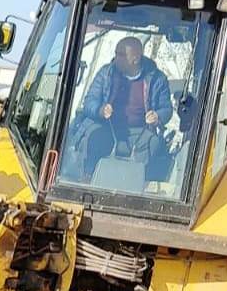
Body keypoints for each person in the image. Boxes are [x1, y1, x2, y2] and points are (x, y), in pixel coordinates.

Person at [69, 36, 174, 184]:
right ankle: (87, 179)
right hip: (107, 126)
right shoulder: (106, 74)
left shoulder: (157, 79)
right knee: (95, 136)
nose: (116, 57)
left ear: (135, 59)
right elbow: (89, 101)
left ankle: (137, 184)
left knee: (153, 143)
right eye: (116, 53)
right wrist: (100, 110)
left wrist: (158, 116)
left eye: (121, 55)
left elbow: (167, 108)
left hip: (140, 130)